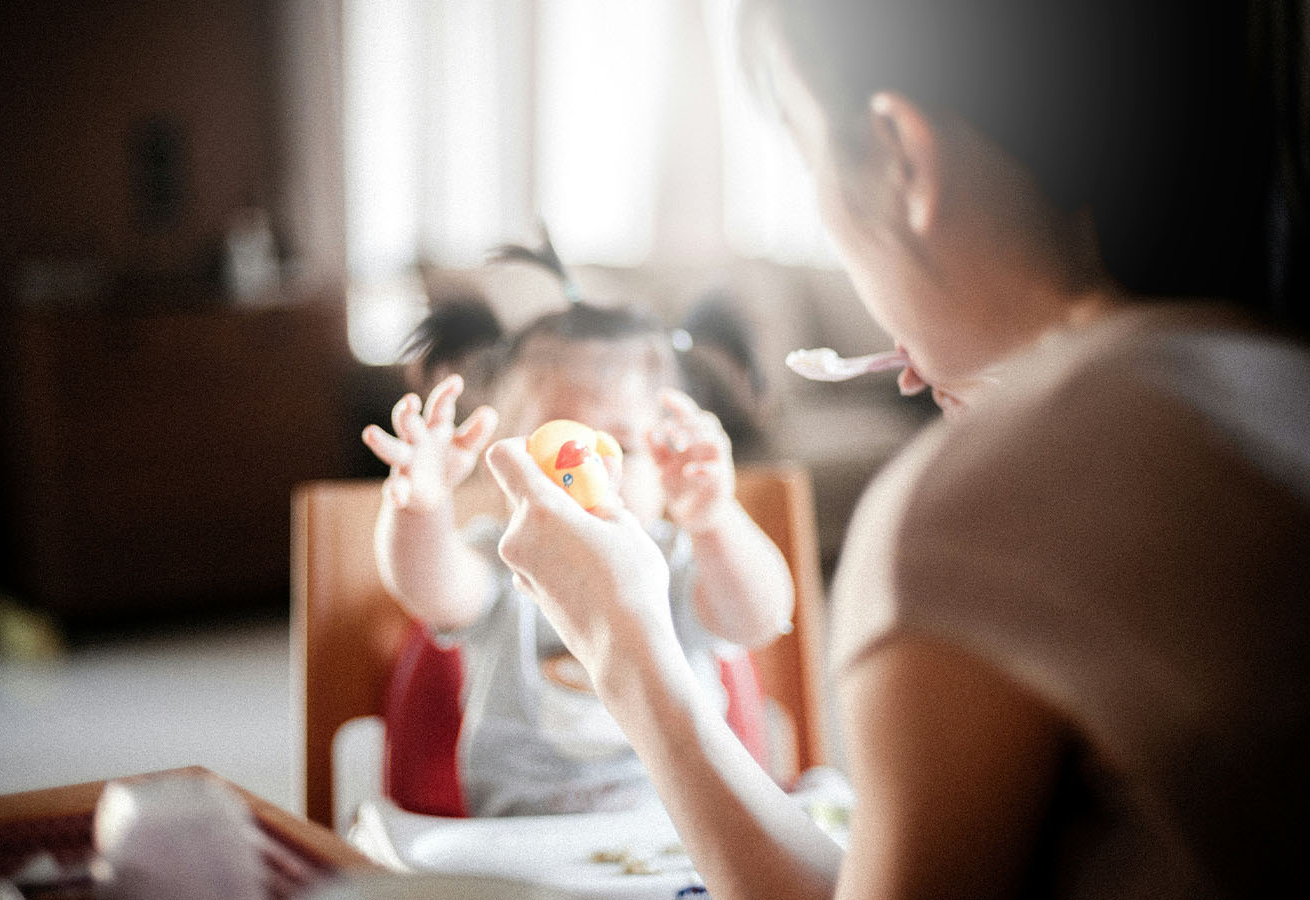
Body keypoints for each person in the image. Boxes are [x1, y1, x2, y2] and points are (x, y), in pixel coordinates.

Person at [480, 0, 1310, 897]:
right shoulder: (1275, 381)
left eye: (806, 156)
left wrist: (622, 642)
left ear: (902, 155)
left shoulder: (965, 511)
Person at [360, 265, 795, 817]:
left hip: (688, 838)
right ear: (503, 459)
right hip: (524, 842)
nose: (585, 474)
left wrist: (714, 519)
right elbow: (429, 588)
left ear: (666, 461)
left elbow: (760, 616)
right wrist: (421, 508)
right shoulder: (505, 558)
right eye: (555, 445)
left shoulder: (677, 564)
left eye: (620, 447)